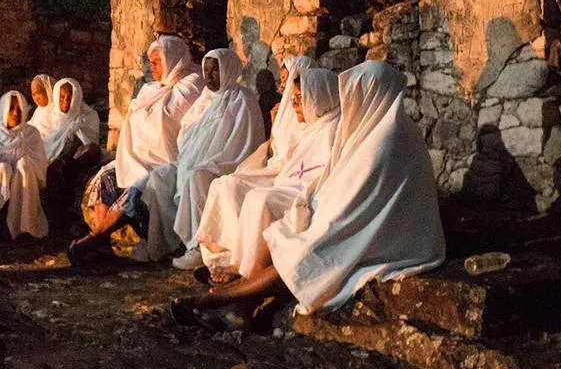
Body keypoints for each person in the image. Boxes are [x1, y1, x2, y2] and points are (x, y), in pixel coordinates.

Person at [172, 61, 446, 329]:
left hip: (389, 237)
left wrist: (319, 226)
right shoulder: (373, 132)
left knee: (304, 255)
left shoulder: (388, 138)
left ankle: (217, 299)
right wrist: (308, 208)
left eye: (354, 95)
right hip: (358, 220)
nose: (348, 103)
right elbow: (337, 183)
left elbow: (359, 199)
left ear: (372, 95)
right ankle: (241, 306)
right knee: (280, 234)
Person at [195, 67, 339, 282]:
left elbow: (325, 172)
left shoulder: (333, 129)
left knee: (262, 198)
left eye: (300, 98)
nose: (294, 104)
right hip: (289, 183)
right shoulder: (315, 127)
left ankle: (246, 271)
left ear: (319, 96)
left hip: (309, 193)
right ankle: (236, 261)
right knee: (245, 192)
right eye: (294, 97)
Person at [68, 34, 203, 263]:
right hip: (138, 158)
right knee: (106, 177)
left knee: (136, 188)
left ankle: (95, 237)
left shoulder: (192, 85)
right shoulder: (150, 89)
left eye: (157, 61)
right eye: (150, 62)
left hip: (168, 160)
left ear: (173, 59)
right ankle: (102, 242)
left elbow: (170, 119)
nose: (152, 67)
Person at [136, 49, 265, 268]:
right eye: (206, 71)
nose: (210, 77)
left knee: (197, 177)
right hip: (192, 160)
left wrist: (209, 161)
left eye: (215, 71)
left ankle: (197, 245)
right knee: (160, 177)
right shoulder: (205, 98)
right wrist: (191, 156)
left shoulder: (242, 99)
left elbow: (244, 144)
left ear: (228, 70)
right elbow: (186, 131)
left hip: (226, 164)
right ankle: (161, 244)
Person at [0, 90, 50, 239]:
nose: (15, 113)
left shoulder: (31, 133)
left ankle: (24, 226)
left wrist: (20, 167)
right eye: (11, 108)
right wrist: (3, 166)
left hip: (23, 182)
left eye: (19, 109)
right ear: (3, 110)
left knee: (24, 164)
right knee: (3, 168)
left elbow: (39, 163)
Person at [38, 78, 103, 233]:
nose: (66, 101)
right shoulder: (49, 117)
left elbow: (89, 142)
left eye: (70, 97)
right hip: (53, 159)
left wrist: (69, 156)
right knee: (54, 171)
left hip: (75, 159)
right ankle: (56, 221)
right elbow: (42, 142)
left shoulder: (87, 115)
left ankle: (70, 220)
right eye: (62, 97)